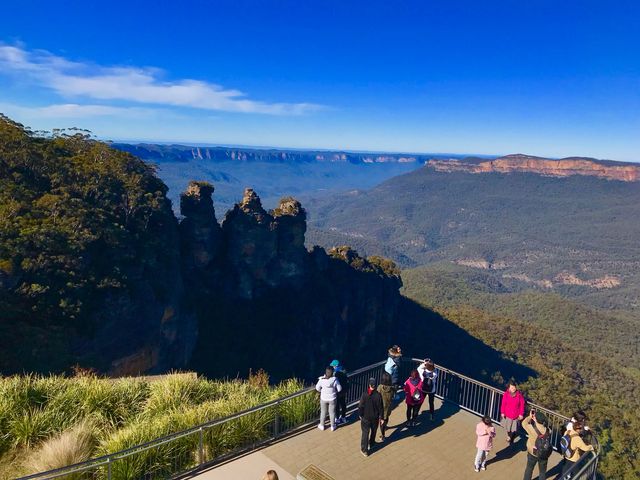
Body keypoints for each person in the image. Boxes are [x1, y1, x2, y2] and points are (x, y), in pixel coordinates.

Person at [522, 410, 551, 480]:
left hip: (533, 452)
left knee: (529, 468)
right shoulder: (548, 430)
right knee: (542, 472)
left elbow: (524, 423)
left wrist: (530, 416)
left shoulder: (532, 429)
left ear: (535, 419)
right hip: (544, 453)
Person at [358, 377, 383, 457]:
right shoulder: (378, 395)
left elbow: (360, 406)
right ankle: (372, 443)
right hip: (375, 417)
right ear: (375, 386)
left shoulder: (364, 394)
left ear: (369, 385)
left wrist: (360, 415)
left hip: (365, 417)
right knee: (374, 431)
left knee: (365, 433)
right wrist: (381, 417)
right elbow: (380, 407)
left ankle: (364, 450)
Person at [315, 366, 342, 431]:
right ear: (332, 373)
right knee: (332, 412)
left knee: (323, 412)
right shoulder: (335, 380)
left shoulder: (321, 380)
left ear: (326, 372)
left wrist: (322, 391)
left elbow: (317, 388)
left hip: (324, 398)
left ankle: (322, 425)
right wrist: (334, 391)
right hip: (332, 398)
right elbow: (339, 389)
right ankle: (332, 426)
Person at [500, 379, 525, 444]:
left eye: (514, 387)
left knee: (514, 429)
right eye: (512, 387)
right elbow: (503, 404)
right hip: (507, 414)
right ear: (509, 388)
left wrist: (521, 414)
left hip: (515, 415)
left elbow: (522, 405)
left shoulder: (519, 395)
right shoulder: (506, 394)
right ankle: (509, 436)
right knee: (508, 428)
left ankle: (511, 436)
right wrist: (502, 412)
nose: (513, 388)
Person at [330, 359, 349, 425]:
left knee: (337, 405)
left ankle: (337, 419)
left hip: (338, 392)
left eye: (333, 366)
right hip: (344, 390)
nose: (333, 367)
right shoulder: (344, 370)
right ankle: (343, 417)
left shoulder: (335, 373)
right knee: (343, 404)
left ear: (335, 366)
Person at [377, 371, 394, 441]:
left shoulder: (380, 388)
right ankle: (385, 425)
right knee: (386, 418)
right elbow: (392, 397)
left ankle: (382, 435)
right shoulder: (392, 389)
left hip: (380, 409)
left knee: (381, 422)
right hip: (388, 408)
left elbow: (376, 396)